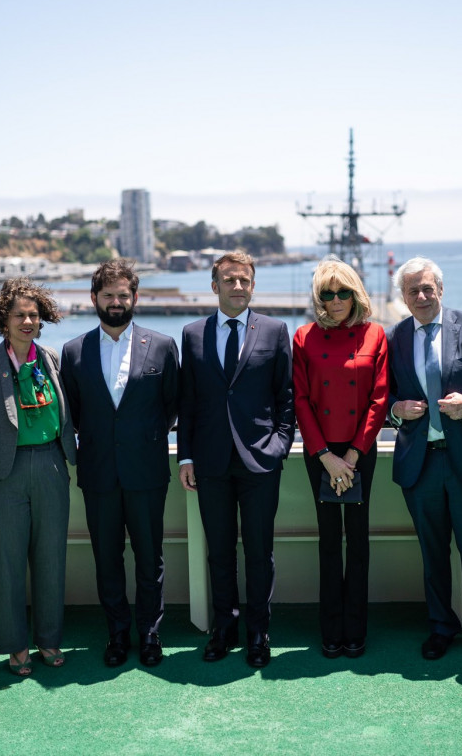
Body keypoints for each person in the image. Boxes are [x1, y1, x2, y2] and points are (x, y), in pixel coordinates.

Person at [177, 250, 295, 668]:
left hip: (261, 461)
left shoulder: (276, 330)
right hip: (210, 463)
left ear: (253, 284)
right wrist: (185, 457)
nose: (238, 286)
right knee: (220, 551)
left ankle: (259, 632)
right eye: (230, 280)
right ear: (215, 286)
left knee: (260, 551)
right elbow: (187, 403)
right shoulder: (192, 334)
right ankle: (223, 629)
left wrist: (280, 445)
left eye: (245, 280)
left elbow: (286, 397)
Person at [386, 256, 462, 662]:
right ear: (402, 296)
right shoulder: (395, 336)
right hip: (420, 462)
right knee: (432, 551)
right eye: (412, 290)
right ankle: (441, 626)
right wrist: (396, 410)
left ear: (440, 288)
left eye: (426, 288)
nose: (420, 296)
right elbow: (383, 398)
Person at [61, 260, 179, 668]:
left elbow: (171, 407)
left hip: (146, 472)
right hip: (98, 473)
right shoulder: (73, 351)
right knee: (106, 558)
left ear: (135, 298)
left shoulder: (162, 346)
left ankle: (149, 634)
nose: (116, 302)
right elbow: (72, 412)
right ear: (93, 299)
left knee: (150, 558)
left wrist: (139, 439)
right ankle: (116, 634)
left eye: (123, 295)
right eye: (108, 295)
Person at [0, 278, 75, 677]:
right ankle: (15, 646)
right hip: (5, 474)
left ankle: (48, 639)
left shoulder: (50, 358)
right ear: (4, 320)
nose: (27, 321)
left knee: (51, 559)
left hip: (51, 465)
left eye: (33, 314)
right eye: (19, 315)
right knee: (8, 563)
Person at [292, 256, 389, 659]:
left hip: (359, 452)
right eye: (327, 294)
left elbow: (380, 398)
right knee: (329, 543)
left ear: (355, 294)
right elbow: (299, 399)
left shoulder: (375, 335)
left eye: (342, 293)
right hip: (319, 453)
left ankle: (356, 629)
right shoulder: (302, 337)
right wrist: (325, 456)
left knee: (360, 543)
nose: (335, 301)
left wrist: (351, 454)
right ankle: (330, 630)